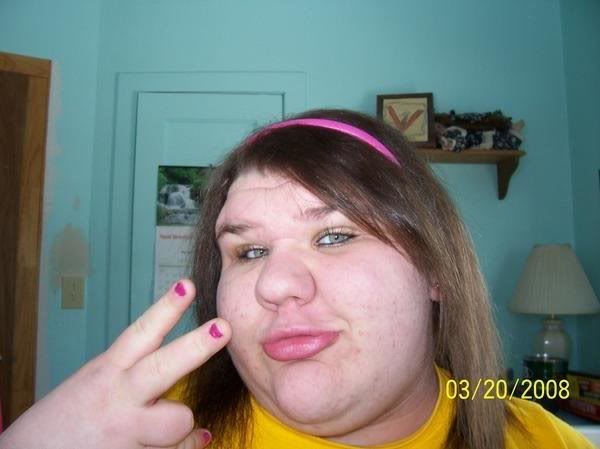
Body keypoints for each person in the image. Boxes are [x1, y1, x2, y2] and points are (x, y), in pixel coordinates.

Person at [0, 109, 594, 449]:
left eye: (334, 236)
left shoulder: (542, 438)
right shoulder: (145, 430)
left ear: (435, 268)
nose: (274, 284)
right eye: (250, 251)